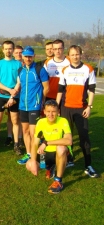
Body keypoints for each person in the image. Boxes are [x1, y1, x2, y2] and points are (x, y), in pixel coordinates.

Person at [56, 45, 98, 178]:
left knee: (84, 137)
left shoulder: (88, 69)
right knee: (67, 137)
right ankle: (70, 159)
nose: (75, 57)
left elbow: (91, 90)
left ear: (81, 54)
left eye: (77, 54)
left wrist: (89, 107)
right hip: (66, 107)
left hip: (81, 108)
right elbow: (60, 90)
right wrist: (57, 107)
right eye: (72, 54)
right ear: (69, 55)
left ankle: (88, 165)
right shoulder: (65, 70)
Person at [26, 99, 72, 194]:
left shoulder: (63, 121)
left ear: (58, 112)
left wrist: (46, 143)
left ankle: (58, 181)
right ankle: (50, 167)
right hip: (46, 153)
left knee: (61, 148)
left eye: (54, 112)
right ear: (44, 112)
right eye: (48, 111)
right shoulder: (40, 122)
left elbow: (69, 140)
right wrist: (34, 161)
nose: (51, 114)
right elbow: (35, 143)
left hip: (60, 152)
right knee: (29, 164)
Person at [16, 46, 49, 165]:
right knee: (25, 131)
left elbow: (46, 88)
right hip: (22, 105)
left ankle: (40, 156)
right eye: (26, 56)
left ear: (34, 56)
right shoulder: (20, 70)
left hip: (34, 106)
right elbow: (18, 86)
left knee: (34, 132)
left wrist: (41, 101)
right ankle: (29, 154)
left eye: (30, 56)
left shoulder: (40, 70)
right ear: (22, 57)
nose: (28, 58)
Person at [0, 41, 22, 154]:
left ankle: (16, 145)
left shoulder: (18, 64)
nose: (8, 51)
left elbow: (19, 82)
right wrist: (9, 90)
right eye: (6, 49)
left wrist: (12, 95)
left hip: (14, 97)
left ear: (13, 50)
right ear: (2, 50)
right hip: (1, 96)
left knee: (14, 121)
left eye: (10, 48)